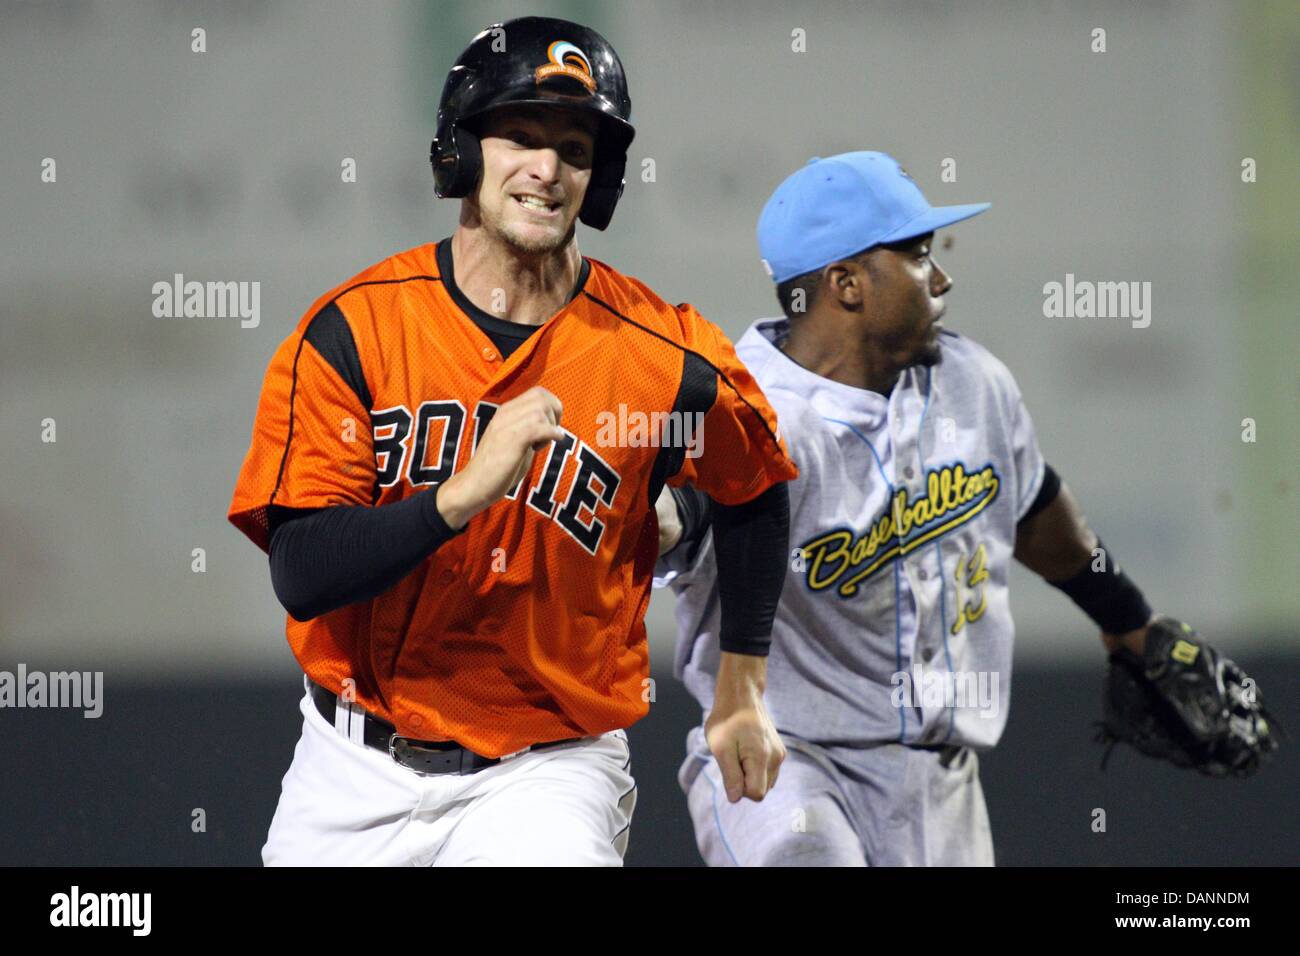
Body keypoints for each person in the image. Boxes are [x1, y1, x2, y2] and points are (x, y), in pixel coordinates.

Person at [227, 16, 796, 866]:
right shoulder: (357, 330)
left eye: (573, 147)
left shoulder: (662, 355)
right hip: (353, 762)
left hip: (547, 769)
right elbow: (303, 572)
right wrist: (460, 496)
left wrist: (743, 684)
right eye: (519, 136)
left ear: (597, 180)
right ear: (462, 152)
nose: (547, 168)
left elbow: (757, 487)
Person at [654, 150, 1276, 866]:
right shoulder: (746, 410)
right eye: (919, 256)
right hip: (785, 765)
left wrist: (1128, 623)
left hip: (943, 782)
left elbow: (1033, 505)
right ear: (847, 283)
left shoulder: (971, 381)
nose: (942, 278)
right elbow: (682, 518)